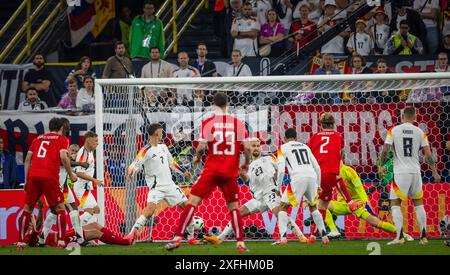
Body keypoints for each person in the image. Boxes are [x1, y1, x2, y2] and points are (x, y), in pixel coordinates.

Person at [165, 92, 251, 253]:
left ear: (213, 105)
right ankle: (240, 244)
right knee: (234, 208)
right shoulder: (238, 123)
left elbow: (201, 147)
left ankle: (177, 239)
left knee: (192, 203)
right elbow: (246, 148)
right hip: (230, 173)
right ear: (228, 104)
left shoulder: (209, 123)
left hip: (211, 171)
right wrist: (245, 164)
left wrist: (197, 157)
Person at [203, 138, 307, 245]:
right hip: (258, 198)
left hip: (270, 192)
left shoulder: (269, 158)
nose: (256, 148)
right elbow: (247, 179)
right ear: (249, 148)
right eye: (254, 146)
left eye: (258, 146)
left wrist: (277, 176)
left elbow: (281, 170)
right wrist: (241, 174)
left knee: (279, 213)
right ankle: (219, 239)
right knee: (238, 213)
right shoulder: (248, 165)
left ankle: (301, 236)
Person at [123, 124, 197, 244]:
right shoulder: (145, 150)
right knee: (149, 210)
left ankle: (191, 238)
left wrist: (184, 172)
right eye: (161, 132)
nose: (163, 134)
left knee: (187, 207)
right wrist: (130, 174)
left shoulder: (163, 147)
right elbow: (135, 164)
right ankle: (132, 234)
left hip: (170, 185)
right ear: (156, 134)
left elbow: (172, 163)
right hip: (156, 188)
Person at [379, 106, 441, 245]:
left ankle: (400, 237)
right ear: (414, 117)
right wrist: (435, 171)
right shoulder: (420, 132)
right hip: (415, 172)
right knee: (418, 203)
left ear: (402, 117)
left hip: (401, 172)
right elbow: (428, 155)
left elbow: (386, 149)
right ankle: (423, 236)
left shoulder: (393, 130)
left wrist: (382, 165)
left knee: (395, 204)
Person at [17, 117, 77, 250]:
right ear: (62, 128)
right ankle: (61, 241)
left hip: (33, 177)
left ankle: (20, 242)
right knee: (60, 208)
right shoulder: (62, 139)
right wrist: (71, 174)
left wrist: (27, 180)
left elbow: (27, 159)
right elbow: (63, 157)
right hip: (49, 176)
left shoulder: (37, 139)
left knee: (28, 209)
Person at [307, 113, 364, 233]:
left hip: (315, 175)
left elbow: (308, 154)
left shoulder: (314, 137)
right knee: (334, 181)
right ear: (333, 124)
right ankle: (350, 202)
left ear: (321, 124)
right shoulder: (338, 136)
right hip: (330, 174)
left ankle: (317, 232)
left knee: (320, 205)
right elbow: (341, 153)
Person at [277, 129, 329, 244]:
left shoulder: (283, 148)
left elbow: (281, 171)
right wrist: (318, 185)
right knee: (313, 206)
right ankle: (324, 236)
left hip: (297, 178)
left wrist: (278, 187)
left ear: (284, 138)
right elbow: (317, 167)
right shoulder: (306, 147)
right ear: (296, 137)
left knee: (283, 207)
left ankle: (283, 237)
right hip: (311, 177)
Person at [324, 162, 400, 239]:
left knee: (375, 222)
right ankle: (334, 230)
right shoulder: (331, 172)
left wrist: (367, 204)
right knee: (323, 204)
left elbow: (360, 189)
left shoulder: (348, 171)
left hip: (357, 204)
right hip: (343, 205)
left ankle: (401, 233)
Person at [73, 131, 103, 226]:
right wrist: (94, 180)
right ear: (88, 141)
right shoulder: (84, 154)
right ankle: (73, 231)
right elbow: (79, 173)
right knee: (90, 211)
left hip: (86, 188)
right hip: (81, 188)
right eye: (95, 141)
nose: (97, 143)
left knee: (96, 210)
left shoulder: (89, 152)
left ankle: (87, 234)